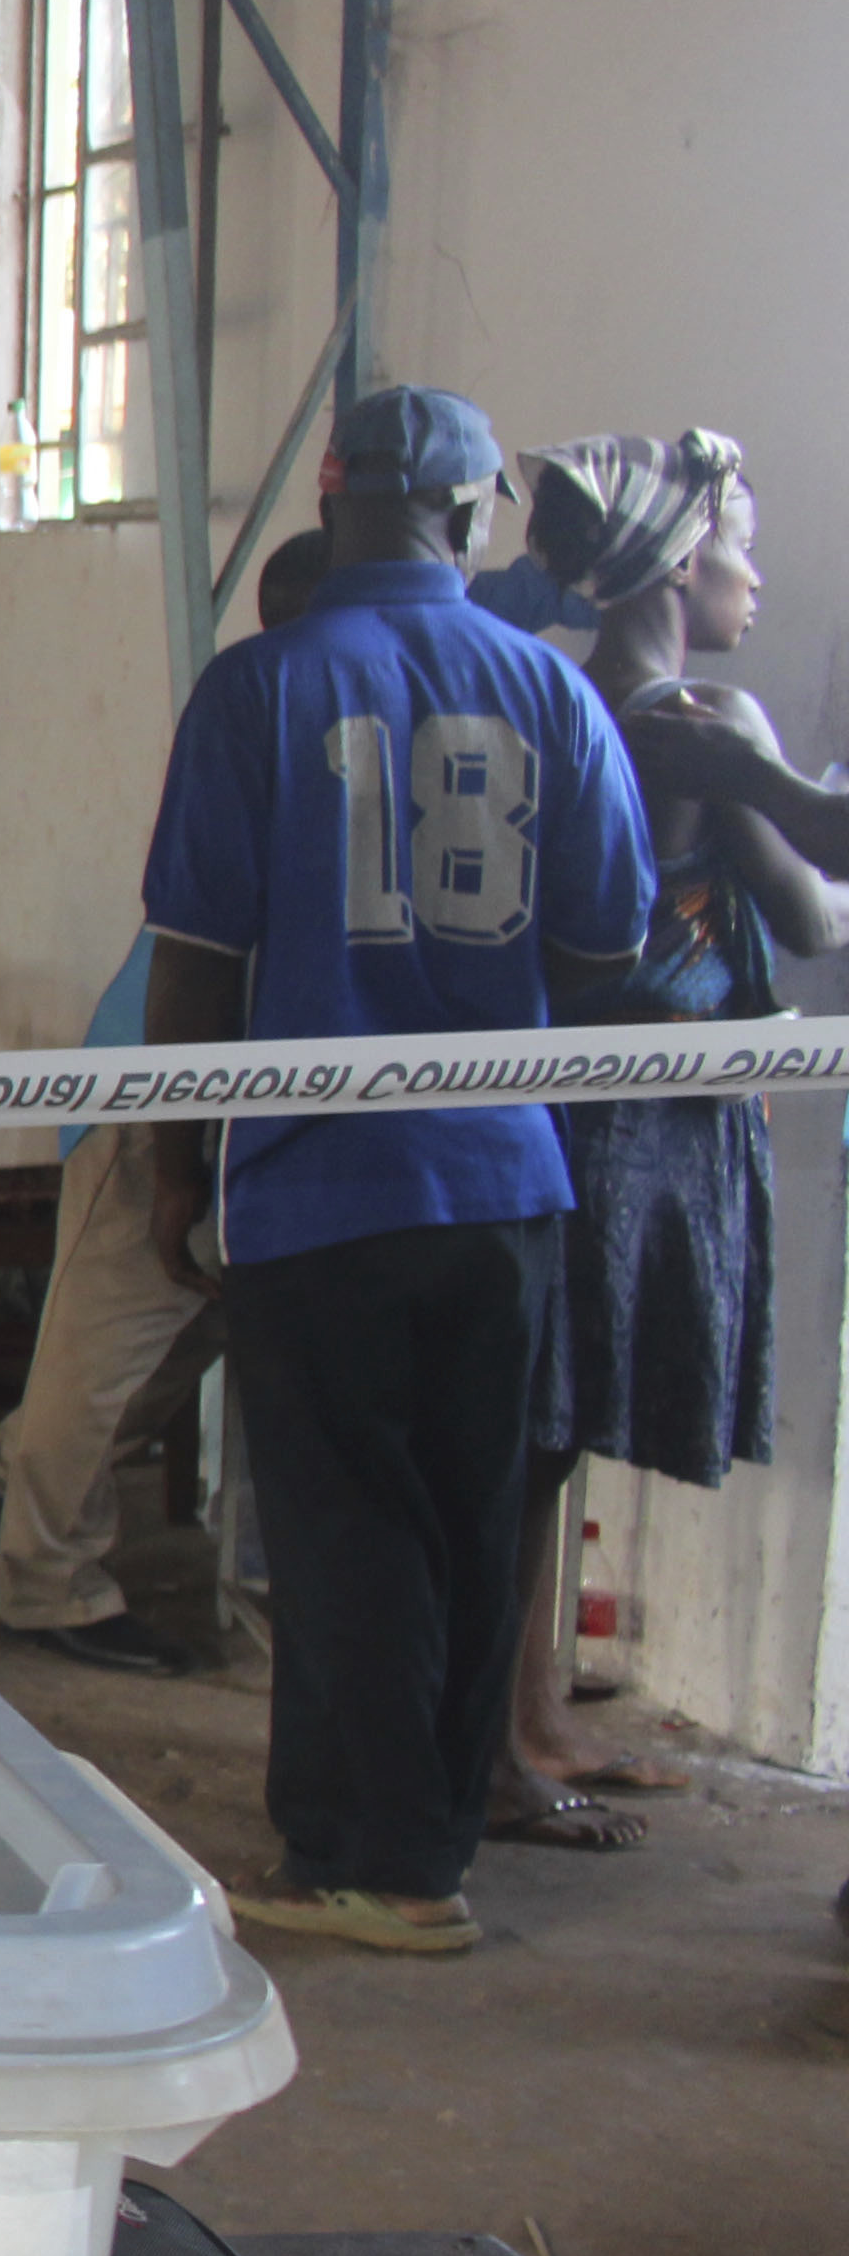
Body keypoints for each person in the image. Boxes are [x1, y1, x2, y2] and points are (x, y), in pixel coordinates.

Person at [135, 387, 649, 1957]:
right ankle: (433, 1828)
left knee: (346, 1522)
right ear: (472, 513)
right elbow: (605, 945)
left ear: (334, 502)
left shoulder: (255, 692)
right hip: (502, 1183)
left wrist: (177, 1173)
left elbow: (197, 969)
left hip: (317, 1184)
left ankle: (376, 1862)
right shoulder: (553, 698)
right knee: (472, 1511)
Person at [494, 432, 827, 1847]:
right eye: (746, 545)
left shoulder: (567, 700)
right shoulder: (702, 719)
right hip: (645, 1121)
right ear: (685, 559)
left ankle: (538, 1716)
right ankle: (511, 1740)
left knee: (545, 1432)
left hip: (574, 1096)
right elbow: (812, 915)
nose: (760, 577)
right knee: (542, 1442)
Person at [0, 532, 329, 1675]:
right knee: (107, 1342)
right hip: (159, 1096)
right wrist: (179, 1147)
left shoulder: (329, 735)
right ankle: (51, 1588)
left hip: (259, 1105)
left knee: (193, 1330)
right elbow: (194, 962)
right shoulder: (268, 732)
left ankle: (19, 1469)